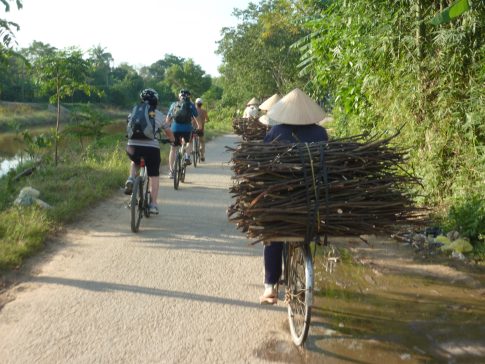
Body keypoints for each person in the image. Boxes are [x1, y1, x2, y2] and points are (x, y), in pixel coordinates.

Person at [258, 88, 329, 304]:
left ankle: (270, 287)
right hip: (313, 198)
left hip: (284, 197)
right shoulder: (320, 134)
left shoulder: (276, 132)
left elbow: (262, 164)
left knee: (274, 235)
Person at [124, 88, 175, 215]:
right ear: (155, 101)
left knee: (134, 161)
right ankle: (153, 204)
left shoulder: (134, 111)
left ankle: (131, 178)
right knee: (154, 175)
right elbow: (168, 132)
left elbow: (128, 126)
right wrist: (172, 140)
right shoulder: (158, 114)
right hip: (151, 149)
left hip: (133, 147)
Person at [166, 89, 199, 177]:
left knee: (173, 149)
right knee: (190, 142)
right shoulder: (190, 105)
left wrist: (167, 128)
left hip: (175, 128)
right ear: (189, 97)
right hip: (187, 129)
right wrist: (198, 126)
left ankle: (171, 171)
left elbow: (168, 119)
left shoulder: (174, 104)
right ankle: (187, 156)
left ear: (179, 96)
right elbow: (196, 116)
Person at [194, 98, 209, 162]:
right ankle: (202, 155)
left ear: (196, 104)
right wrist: (204, 121)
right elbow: (207, 120)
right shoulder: (204, 111)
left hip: (193, 129)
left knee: (189, 141)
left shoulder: (193, 110)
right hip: (200, 129)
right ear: (201, 104)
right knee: (202, 142)